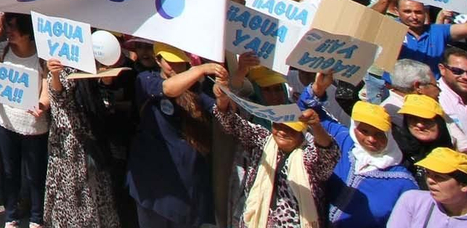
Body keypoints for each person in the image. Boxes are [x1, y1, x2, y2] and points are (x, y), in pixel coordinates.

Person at [214, 58, 338, 228]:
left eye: (290, 129)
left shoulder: (308, 157)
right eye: (278, 126)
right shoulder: (264, 141)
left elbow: (329, 154)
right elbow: (231, 122)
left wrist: (316, 126)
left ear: (301, 133)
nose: (281, 132)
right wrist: (222, 100)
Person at [301, 75, 416, 228]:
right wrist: (319, 88)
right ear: (355, 128)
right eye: (364, 131)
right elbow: (306, 111)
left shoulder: (403, 182)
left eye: (379, 134)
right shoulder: (343, 141)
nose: (371, 139)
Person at [127, 43, 221, 228]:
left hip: (189, 184)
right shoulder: (145, 79)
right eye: (169, 61)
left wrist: (225, 89)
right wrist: (201, 69)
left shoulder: (198, 90)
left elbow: (221, 110)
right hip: (154, 185)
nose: (174, 67)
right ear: (158, 60)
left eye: (179, 62)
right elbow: (169, 88)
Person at [44, 56, 126, 228]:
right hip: (68, 147)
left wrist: (106, 82)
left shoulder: (92, 67)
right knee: (70, 198)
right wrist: (56, 75)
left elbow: (105, 105)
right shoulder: (58, 66)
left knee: (97, 196)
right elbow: (59, 97)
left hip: (93, 143)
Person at [0, 13, 51, 228]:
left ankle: (36, 218)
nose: (9, 31)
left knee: (35, 174)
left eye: (14, 27)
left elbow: (47, 91)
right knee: (9, 172)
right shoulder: (2, 51)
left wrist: (42, 105)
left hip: (34, 127)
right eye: (8, 26)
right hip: (5, 123)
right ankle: (11, 216)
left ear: (27, 32)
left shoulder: (42, 57)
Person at [387, 147, 467, 227]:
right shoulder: (412, 200)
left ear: (464, 185)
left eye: (439, 177)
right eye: (428, 174)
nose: (430, 180)